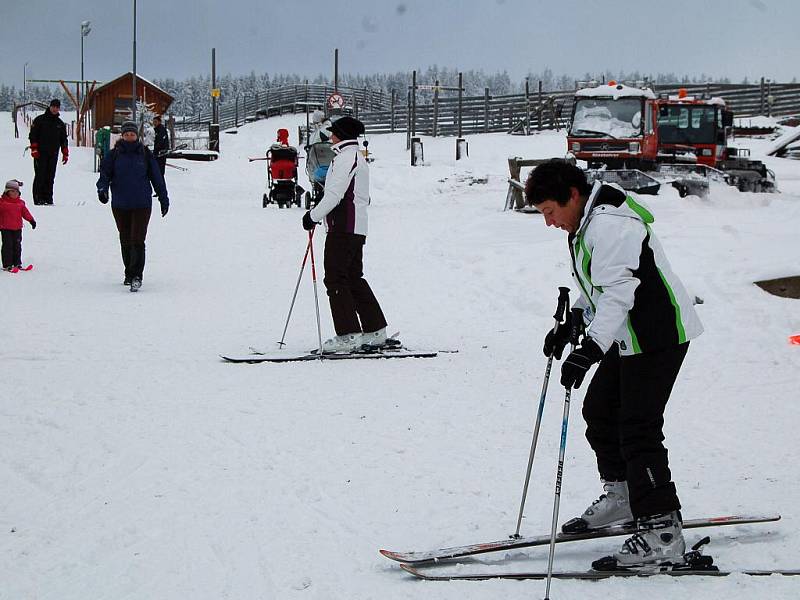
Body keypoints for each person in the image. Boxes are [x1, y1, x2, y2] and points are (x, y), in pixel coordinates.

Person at [524, 159, 703, 569]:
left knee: (638, 428)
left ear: (572, 196)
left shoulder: (609, 226)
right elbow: (602, 288)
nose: (549, 223)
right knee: (600, 412)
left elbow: (621, 296)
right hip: (629, 337)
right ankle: (623, 497)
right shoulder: (588, 223)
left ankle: (662, 531)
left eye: (550, 212)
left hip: (658, 336)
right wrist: (576, 321)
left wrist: (590, 351)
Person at [301, 116, 388, 352]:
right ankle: (375, 330)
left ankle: (348, 335)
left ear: (342, 134)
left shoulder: (345, 158)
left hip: (344, 228)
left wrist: (312, 216)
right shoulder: (352, 157)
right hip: (353, 228)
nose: (330, 136)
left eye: (333, 132)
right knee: (351, 277)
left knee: (336, 278)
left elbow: (334, 195)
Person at [96, 120, 169, 292]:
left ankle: (137, 275)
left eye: (132, 134)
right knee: (125, 238)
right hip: (120, 204)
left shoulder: (144, 154)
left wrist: (163, 198)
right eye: (127, 134)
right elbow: (105, 174)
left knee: (138, 239)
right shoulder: (114, 155)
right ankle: (128, 272)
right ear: (122, 135)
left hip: (142, 203)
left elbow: (157, 177)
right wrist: (102, 189)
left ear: (137, 136)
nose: (130, 137)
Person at [28, 99, 69, 205]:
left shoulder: (60, 124)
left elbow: (63, 139)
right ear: (50, 107)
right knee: (40, 175)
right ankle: (38, 198)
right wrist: (34, 149)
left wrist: (65, 152)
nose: (55, 109)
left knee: (50, 176)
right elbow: (33, 136)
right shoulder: (40, 120)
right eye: (53, 107)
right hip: (40, 154)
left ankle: (48, 198)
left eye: (57, 107)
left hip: (53, 154)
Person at [0, 180, 36, 272]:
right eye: (12, 191)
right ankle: (7, 264)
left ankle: (17, 263)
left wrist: (31, 220)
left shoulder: (20, 203)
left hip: (17, 228)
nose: (15, 193)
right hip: (5, 228)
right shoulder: (2, 203)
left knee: (17, 245)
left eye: (16, 191)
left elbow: (25, 213)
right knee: (8, 246)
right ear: (7, 192)